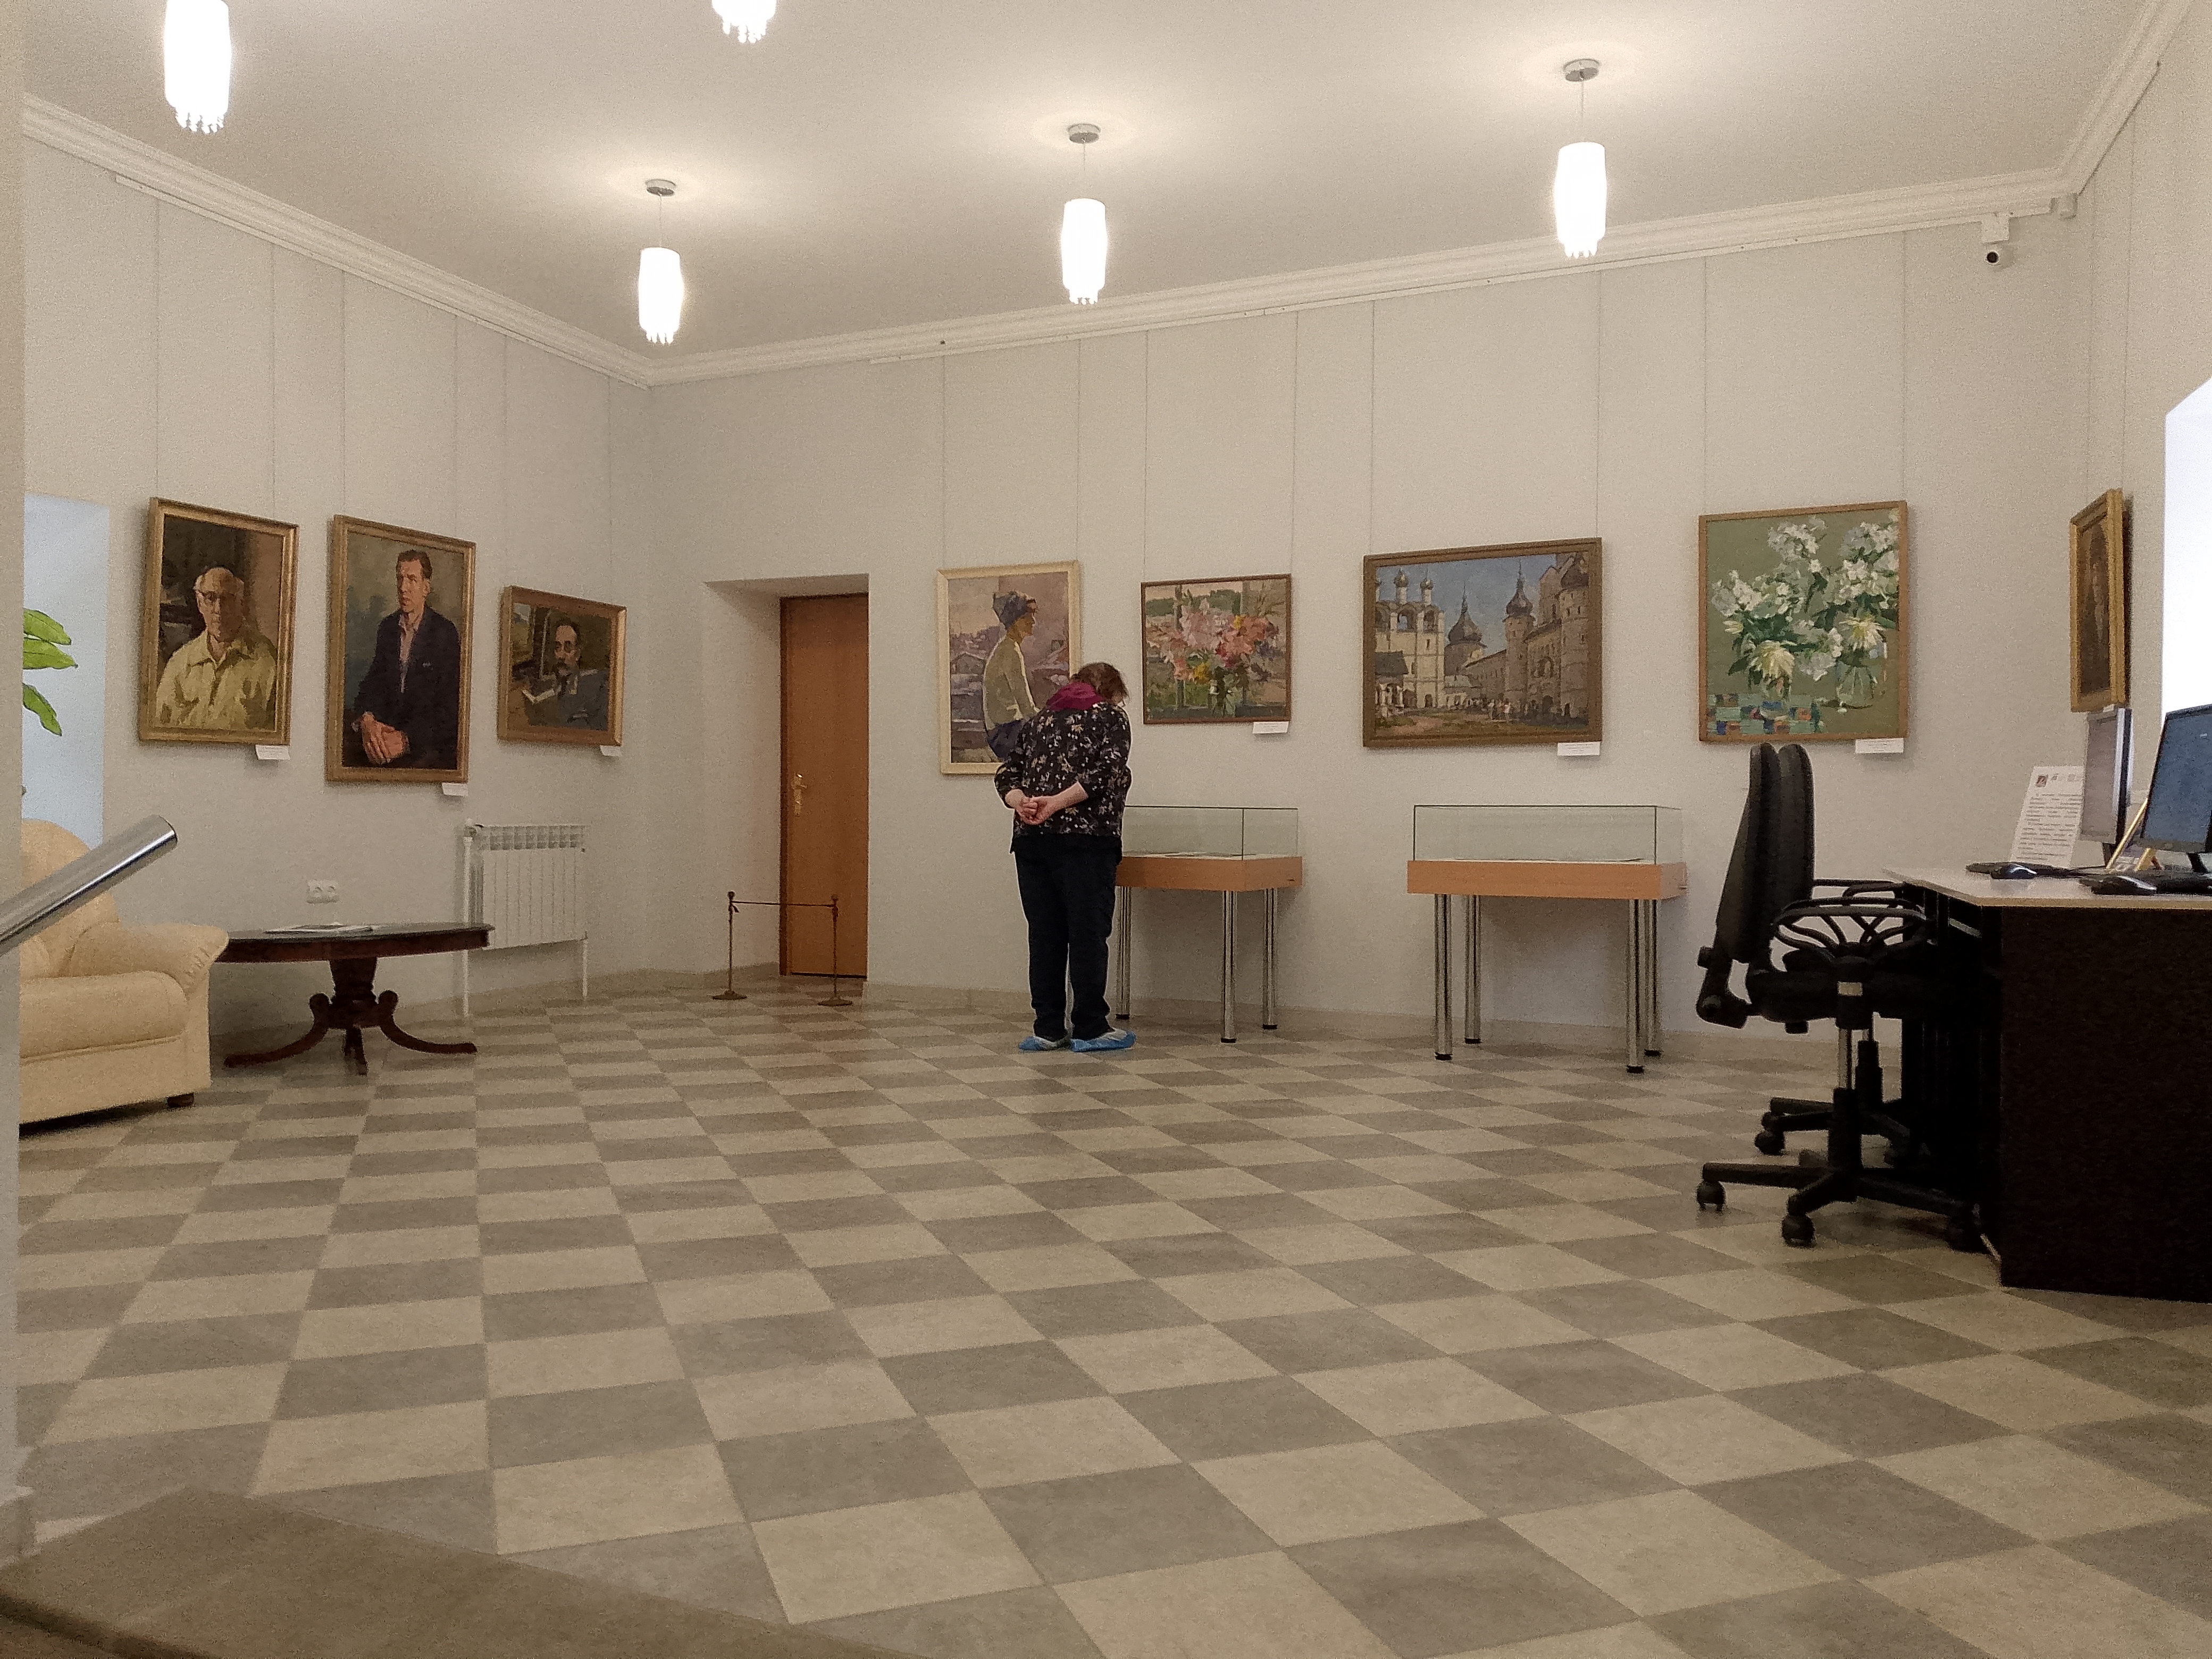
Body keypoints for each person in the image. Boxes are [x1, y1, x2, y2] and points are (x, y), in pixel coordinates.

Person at [995, 661, 1135, 1053]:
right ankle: (1090, 1026)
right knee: (1087, 934)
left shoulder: (1037, 721)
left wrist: (1022, 803)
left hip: (1032, 842)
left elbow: (1007, 775)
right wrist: (1056, 803)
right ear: (1110, 691)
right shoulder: (1110, 717)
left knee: (1045, 936)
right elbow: (1105, 774)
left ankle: (1047, 1028)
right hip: (1086, 843)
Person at [351, 548, 463, 769]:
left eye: (412, 580)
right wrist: (367, 720)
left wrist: (406, 740)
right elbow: (372, 685)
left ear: (426, 588)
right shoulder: (387, 628)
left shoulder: (444, 633)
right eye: (400, 579)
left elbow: (450, 709)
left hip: (426, 746)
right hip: (385, 740)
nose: (403, 588)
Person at [152, 566, 280, 732]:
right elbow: (159, 727)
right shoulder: (180, 663)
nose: (219, 610)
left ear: (240, 603)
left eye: (227, 599)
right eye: (211, 598)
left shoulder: (269, 661)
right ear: (200, 604)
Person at [521, 616, 610, 730]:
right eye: (558, 647)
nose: (561, 656)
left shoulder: (596, 686)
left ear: (578, 653)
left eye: (568, 648)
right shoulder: (552, 686)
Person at [982, 591, 1038, 759]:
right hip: (1005, 734)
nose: (1033, 621)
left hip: (1002, 729)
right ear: (1015, 622)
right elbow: (1026, 707)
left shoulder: (1006, 647)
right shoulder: (1011, 652)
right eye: (1027, 617)